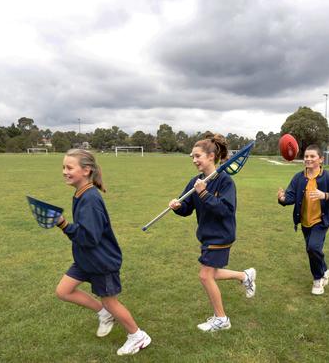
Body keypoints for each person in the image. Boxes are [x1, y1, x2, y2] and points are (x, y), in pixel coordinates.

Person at [54, 149, 151, 356]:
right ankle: (103, 313)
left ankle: (138, 336)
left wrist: (64, 225)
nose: (64, 171)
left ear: (86, 170)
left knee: (110, 300)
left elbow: (90, 237)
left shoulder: (90, 199)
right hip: (85, 259)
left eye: (69, 167)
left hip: (101, 261)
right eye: (63, 167)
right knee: (63, 291)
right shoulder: (81, 193)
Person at [169, 134, 256, 332]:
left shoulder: (225, 182)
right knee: (212, 273)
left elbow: (226, 211)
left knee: (205, 275)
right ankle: (245, 276)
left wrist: (204, 193)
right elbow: (186, 209)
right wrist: (177, 206)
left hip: (221, 235)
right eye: (192, 156)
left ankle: (221, 319)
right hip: (207, 234)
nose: (194, 160)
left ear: (210, 156)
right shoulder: (195, 181)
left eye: (197, 156)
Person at [277, 144, 329, 295]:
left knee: (313, 248)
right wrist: (282, 198)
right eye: (306, 156)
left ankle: (318, 279)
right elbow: (290, 196)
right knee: (312, 250)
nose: (308, 159)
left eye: (312, 156)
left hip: (321, 222)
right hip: (305, 222)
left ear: (321, 159)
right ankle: (324, 269)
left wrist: (325, 195)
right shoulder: (298, 178)